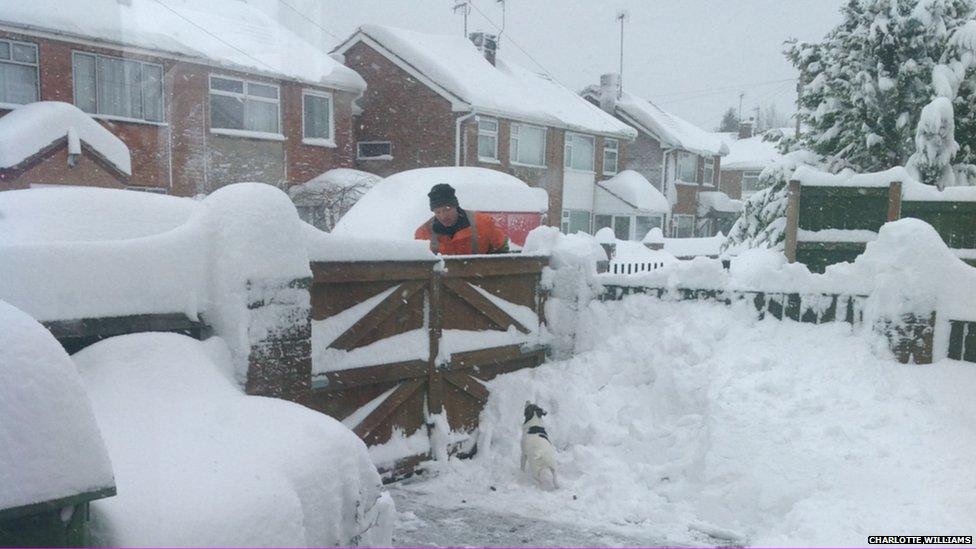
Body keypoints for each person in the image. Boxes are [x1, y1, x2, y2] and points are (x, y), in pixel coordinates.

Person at [414, 183, 509, 255]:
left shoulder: (484, 223)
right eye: (437, 212)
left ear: (455, 206)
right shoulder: (423, 234)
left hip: (479, 279)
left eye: (447, 209)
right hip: (442, 280)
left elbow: (502, 250)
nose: (443, 216)